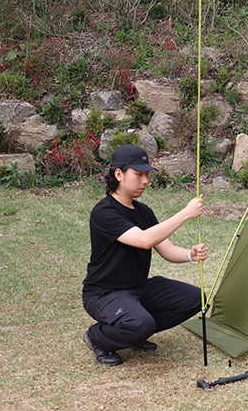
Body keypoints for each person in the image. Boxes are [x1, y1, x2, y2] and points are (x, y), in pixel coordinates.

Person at [82, 144, 207, 366]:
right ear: (119, 174)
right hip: (104, 294)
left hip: (138, 288)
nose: (145, 181)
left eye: (147, 175)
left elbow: (166, 250)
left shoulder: (144, 212)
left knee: (196, 298)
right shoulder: (104, 212)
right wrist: (186, 214)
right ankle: (98, 337)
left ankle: (135, 331)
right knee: (141, 324)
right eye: (139, 175)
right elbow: (144, 240)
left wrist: (190, 254)